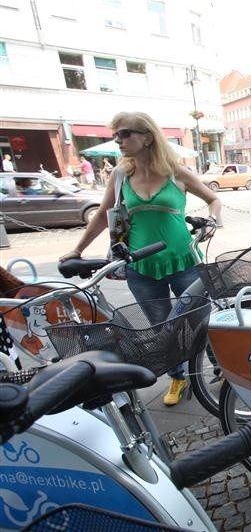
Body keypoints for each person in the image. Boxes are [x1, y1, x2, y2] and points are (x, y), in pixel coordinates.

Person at [59, 111, 222, 406]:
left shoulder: (176, 172)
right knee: (162, 328)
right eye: (116, 135)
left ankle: (219, 365)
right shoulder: (120, 175)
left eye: (125, 134)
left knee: (200, 319)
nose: (118, 140)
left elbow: (213, 198)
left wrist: (211, 220)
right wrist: (77, 250)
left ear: (147, 136)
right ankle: (178, 377)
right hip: (141, 267)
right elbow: (101, 217)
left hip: (183, 260)